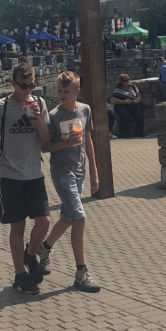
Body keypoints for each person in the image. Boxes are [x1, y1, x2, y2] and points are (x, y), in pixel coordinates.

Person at [0, 62, 51, 295]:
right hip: (11, 175)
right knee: (17, 226)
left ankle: (30, 254)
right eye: (24, 86)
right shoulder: (1, 107)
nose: (28, 91)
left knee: (44, 221)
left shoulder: (39, 103)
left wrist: (38, 118)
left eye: (32, 85)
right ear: (13, 84)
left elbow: (45, 141)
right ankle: (20, 274)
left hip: (34, 174)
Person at [38, 71, 101, 292]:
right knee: (79, 218)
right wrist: (65, 143)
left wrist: (94, 171)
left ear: (77, 91)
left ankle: (44, 248)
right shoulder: (53, 116)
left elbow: (88, 141)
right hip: (61, 171)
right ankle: (81, 272)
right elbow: (45, 147)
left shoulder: (85, 110)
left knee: (67, 217)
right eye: (60, 91)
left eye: (67, 91)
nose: (62, 95)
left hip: (80, 170)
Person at [110, 74, 144, 138]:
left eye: (128, 80)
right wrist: (124, 102)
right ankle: (124, 133)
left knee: (139, 114)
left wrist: (136, 100)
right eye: (125, 81)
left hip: (133, 104)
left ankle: (140, 132)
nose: (127, 82)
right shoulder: (117, 89)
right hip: (121, 105)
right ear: (121, 82)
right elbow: (114, 99)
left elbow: (138, 95)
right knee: (125, 115)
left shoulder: (133, 87)